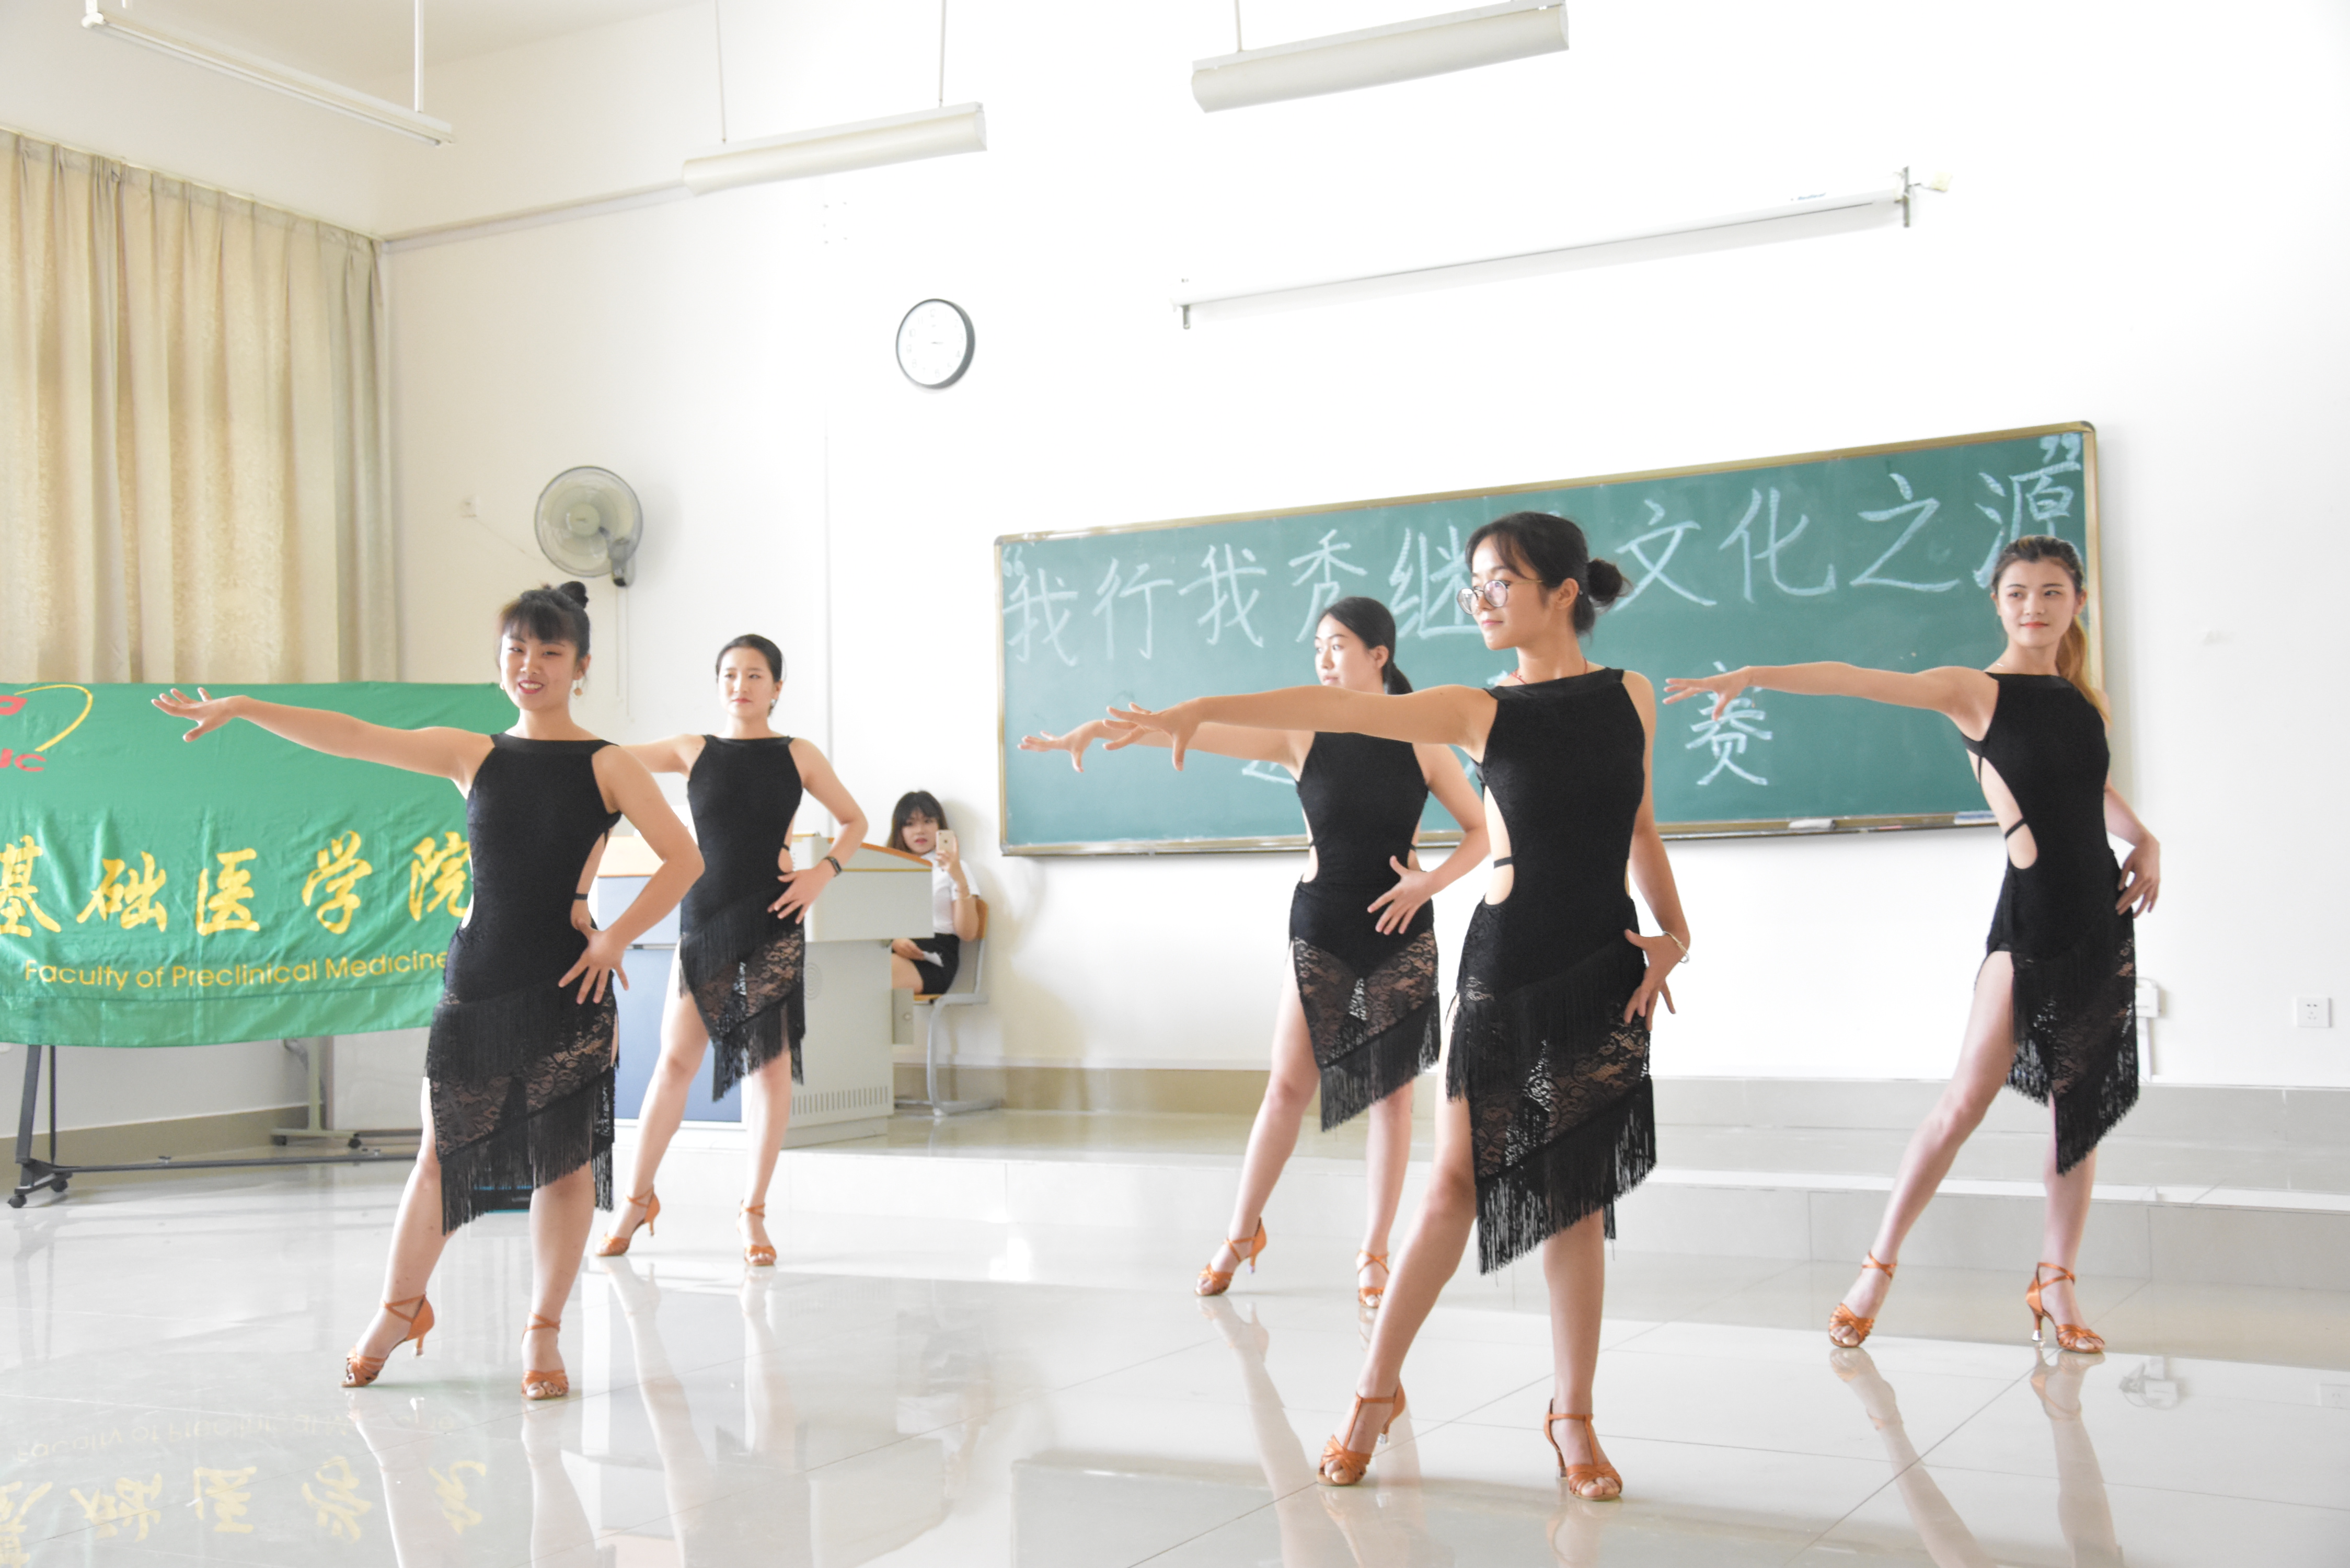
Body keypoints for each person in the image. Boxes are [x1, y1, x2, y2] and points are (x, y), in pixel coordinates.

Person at [1113, 514, 1690, 1497]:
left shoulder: (1630, 694)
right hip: (1506, 965)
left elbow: (1639, 824)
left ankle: (1573, 1417)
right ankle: (1372, 1393)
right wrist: (1200, 710)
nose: (1480, 600)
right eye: (1474, 584)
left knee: (1577, 1199)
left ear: (1562, 591)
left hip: (1604, 965)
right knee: (1453, 1188)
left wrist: (1676, 931)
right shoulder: (1476, 709)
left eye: (1499, 582)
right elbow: (1330, 705)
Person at [154, 582, 702, 1400]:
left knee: (563, 1167)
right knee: (441, 1156)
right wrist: (244, 706)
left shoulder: (608, 764)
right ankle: (400, 1310)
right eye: (516, 650)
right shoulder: (472, 754)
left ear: (581, 666)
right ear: (500, 661)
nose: (531, 665)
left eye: (550, 652)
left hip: (569, 985)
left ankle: (543, 1330)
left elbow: (685, 859)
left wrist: (616, 937)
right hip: (478, 978)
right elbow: (352, 737)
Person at [1666, 534, 2157, 1356]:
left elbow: (2089, 788)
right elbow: (1858, 679)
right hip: (2031, 919)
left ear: (2078, 601)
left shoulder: (2082, 701)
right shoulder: (1975, 691)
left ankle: (2057, 1280)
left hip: (2099, 916)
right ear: (1997, 603)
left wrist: (2144, 838)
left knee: (2079, 1114)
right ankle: (1877, 1265)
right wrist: (1755, 675)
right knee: (1963, 1103)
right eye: (2017, 593)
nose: (2034, 607)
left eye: (2051, 592)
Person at [1022, 596, 1489, 1312]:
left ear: (1379, 656)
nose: (1323, 658)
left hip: (1401, 929)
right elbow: (1200, 730)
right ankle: (1241, 1233)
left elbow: (1481, 831)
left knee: (1391, 1101)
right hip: (1322, 923)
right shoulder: (1302, 731)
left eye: (1337, 645)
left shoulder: (1421, 737)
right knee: (1287, 1088)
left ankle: (1373, 1251)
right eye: (1317, 646)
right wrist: (1100, 729)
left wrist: (1429, 883)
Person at [597, 633, 870, 1267]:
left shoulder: (798, 754)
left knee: (770, 1067)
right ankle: (635, 1201)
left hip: (775, 915)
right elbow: (602, 761)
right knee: (675, 1061)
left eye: (753, 675)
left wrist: (822, 873)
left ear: (777, 688)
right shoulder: (689, 749)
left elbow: (854, 821)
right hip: (705, 914)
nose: (739, 685)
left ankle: (752, 1211)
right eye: (728, 674)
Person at [885, 791, 980, 995]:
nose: (920, 830)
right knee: (845, 965)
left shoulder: (956, 868)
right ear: (900, 830)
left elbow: (968, 933)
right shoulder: (889, 869)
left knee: (870, 975)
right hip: (893, 948)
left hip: (934, 955)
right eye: (910, 824)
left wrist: (958, 877)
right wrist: (893, 940)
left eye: (928, 821)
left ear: (940, 827)